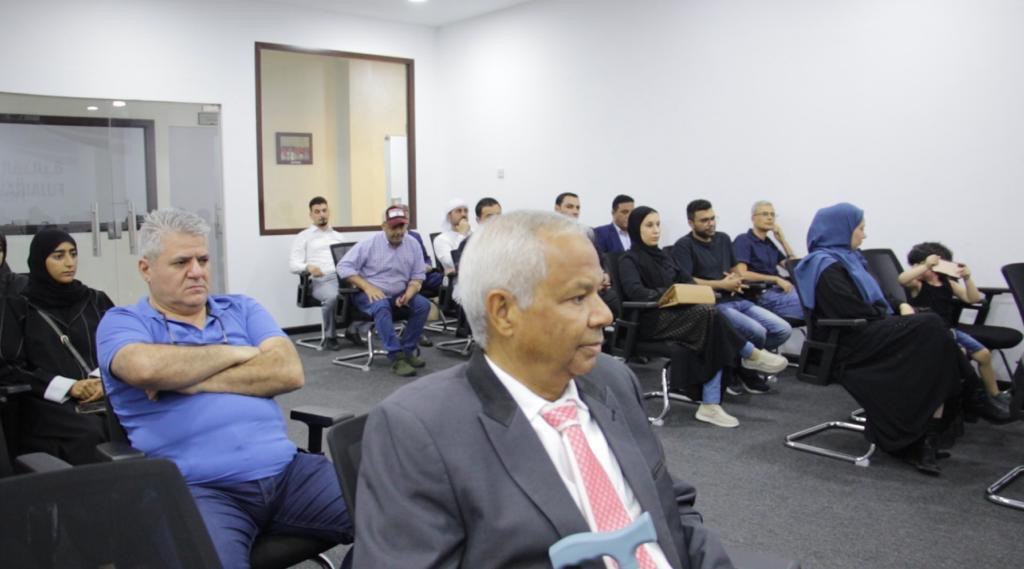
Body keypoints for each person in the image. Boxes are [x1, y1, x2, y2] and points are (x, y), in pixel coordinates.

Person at [354, 210, 736, 568]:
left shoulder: (612, 380)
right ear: (503, 312)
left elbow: (672, 507)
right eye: (578, 297)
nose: (604, 314)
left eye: (599, 292)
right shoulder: (419, 430)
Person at [96, 209, 352, 567]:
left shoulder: (241, 308)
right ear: (146, 269)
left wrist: (188, 377)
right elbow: (144, 366)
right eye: (181, 262)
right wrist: (237, 352)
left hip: (288, 473)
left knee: (400, 518)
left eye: (202, 259)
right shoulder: (122, 321)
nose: (197, 271)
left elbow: (288, 371)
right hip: (199, 490)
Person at [793, 203, 965, 475]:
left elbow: (883, 294)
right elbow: (850, 310)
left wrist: (900, 306)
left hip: (869, 333)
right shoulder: (824, 266)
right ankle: (974, 397)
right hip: (847, 344)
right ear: (841, 230)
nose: (864, 235)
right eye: (860, 229)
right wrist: (890, 316)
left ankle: (924, 441)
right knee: (932, 325)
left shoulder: (852, 260)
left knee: (933, 349)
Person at [618, 207, 789, 428]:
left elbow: (687, 280)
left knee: (711, 329)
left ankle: (711, 405)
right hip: (650, 320)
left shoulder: (664, 257)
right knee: (710, 315)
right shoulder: (628, 259)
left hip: (679, 317)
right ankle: (749, 354)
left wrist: (687, 291)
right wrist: (670, 294)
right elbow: (636, 293)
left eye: (658, 224)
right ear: (635, 229)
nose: (656, 230)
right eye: (649, 225)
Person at [0, 229, 111, 464]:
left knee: (130, 421)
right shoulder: (19, 306)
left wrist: (99, 380)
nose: (69, 263)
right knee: (91, 431)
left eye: (73, 254)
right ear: (41, 261)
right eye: (58, 256)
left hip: (102, 393)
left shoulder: (96, 300)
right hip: (47, 401)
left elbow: (118, 347)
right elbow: (11, 367)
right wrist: (70, 387)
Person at [672, 199, 792, 394]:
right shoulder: (684, 246)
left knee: (782, 330)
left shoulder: (723, 239)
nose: (710, 223)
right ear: (691, 223)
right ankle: (742, 367)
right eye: (704, 220)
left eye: (712, 218)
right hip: (713, 304)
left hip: (736, 298)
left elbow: (737, 269)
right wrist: (722, 284)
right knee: (758, 332)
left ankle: (739, 364)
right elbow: (687, 281)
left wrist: (736, 278)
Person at [899, 241, 1010, 420]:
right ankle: (969, 399)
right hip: (929, 334)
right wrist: (925, 266)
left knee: (984, 355)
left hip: (949, 330)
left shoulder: (948, 284)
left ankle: (994, 394)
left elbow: (972, 298)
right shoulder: (916, 284)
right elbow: (902, 279)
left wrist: (967, 279)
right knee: (958, 355)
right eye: (917, 265)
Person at [336, 205, 430, 377]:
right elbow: (343, 266)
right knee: (380, 305)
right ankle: (396, 357)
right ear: (384, 226)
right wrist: (367, 286)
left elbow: (418, 274)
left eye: (402, 227)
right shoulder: (369, 244)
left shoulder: (413, 244)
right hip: (368, 294)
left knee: (423, 305)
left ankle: (408, 351)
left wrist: (410, 292)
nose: (399, 232)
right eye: (394, 227)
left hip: (399, 293)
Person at [288, 196, 345, 350]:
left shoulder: (338, 236)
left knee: (368, 290)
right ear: (311, 215)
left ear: (329, 212)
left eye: (324, 211)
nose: (322, 215)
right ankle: (330, 336)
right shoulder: (304, 236)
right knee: (332, 297)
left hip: (341, 277)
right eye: (317, 211)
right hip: (321, 280)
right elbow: (293, 265)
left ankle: (353, 330)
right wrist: (308, 267)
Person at [732, 200, 803, 320]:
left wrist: (782, 241)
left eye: (772, 214)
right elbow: (741, 274)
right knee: (810, 303)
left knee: (816, 296)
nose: (770, 218)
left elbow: (795, 268)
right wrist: (775, 279)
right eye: (765, 214)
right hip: (762, 294)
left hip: (781, 291)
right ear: (753, 218)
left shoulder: (769, 243)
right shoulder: (743, 240)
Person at [432, 198, 470, 276]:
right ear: (449, 216)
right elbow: (454, 263)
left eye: (466, 211)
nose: (463, 214)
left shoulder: (474, 233)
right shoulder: (441, 239)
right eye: (458, 211)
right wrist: (462, 234)